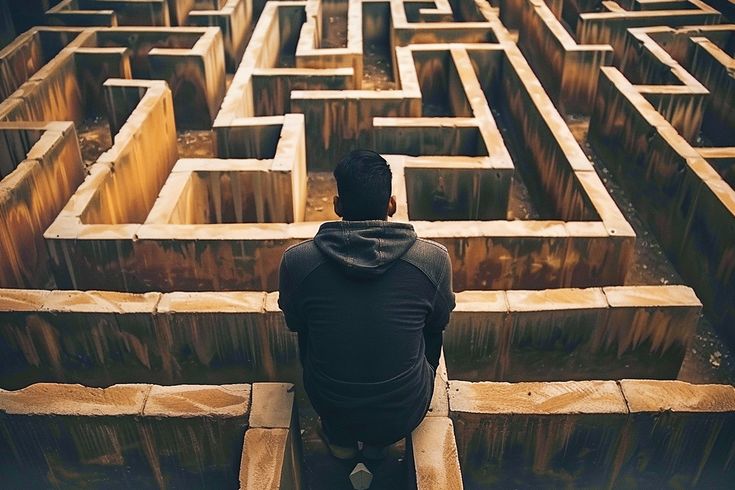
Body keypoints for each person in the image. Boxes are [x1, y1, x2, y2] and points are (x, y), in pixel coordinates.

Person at [277, 150, 455, 460]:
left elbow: (297, 326)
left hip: (331, 406)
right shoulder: (433, 260)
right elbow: (437, 327)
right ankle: (379, 444)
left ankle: (341, 441)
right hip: (404, 412)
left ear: (337, 206)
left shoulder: (297, 263)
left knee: (309, 330)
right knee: (431, 328)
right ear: (392, 204)